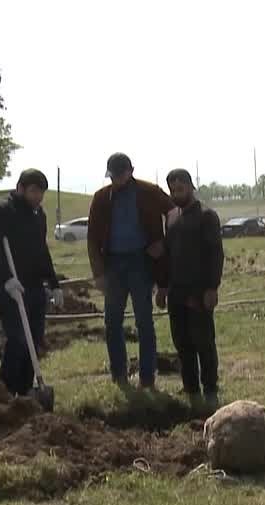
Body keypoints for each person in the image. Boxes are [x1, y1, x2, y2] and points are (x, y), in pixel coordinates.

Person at [87, 152, 175, 389]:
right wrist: (98, 274)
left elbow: (174, 212)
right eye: (113, 176)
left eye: (120, 174)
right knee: (112, 322)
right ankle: (119, 375)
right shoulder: (101, 197)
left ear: (130, 171)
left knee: (144, 321)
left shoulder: (149, 191)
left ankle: (147, 378)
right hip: (113, 264)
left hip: (141, 262)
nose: (116, 179)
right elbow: (93, 238)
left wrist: (164, 243)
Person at [0, 169, 63, 397]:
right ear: (20, 188)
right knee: (18, 339)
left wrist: (54, 283)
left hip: (35, 287)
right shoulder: (1, 212)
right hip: (11, 287)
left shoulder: (39, 216)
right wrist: (6, 279)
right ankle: (5, 391)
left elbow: (42, 251)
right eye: (34, 191)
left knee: (34, 339)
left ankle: (26, 389)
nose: (38, 197)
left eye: (41, 193)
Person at [156, 169, 224, 409]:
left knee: (203, 341)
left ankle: (211, 389)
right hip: (176, 290)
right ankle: (191, 388)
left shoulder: (207, 216)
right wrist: (162, 287)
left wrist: (211, 287)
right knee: (182, 342)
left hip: (198, 290)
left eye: (181, 188)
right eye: (173, 189)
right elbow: (167, 255)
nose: (177, 192)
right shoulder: (172, 216)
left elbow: (215, 253)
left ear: (190, 187)